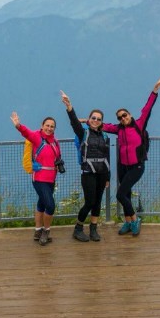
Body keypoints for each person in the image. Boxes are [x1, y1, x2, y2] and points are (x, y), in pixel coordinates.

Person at [103, 76, 160, 237]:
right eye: (120, 117)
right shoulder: (119, 129)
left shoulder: (139, 124)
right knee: (127, 194)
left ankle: (135, 220)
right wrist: (87, 121)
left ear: (129, 115)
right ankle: (128, 222)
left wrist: (155, 90)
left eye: (124, 115)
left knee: (120, 194)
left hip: (137, 166)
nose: (123, 118)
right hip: (123, 166)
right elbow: (104, 126)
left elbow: (147, 109)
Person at [60, 90, 111, 242]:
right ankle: (78, 228)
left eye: (99, 119)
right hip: (88, 172)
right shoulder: (83, 133)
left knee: (98, 201)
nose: (96, 120)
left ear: (102, 122)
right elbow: (75, 123)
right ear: (89, 120)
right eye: (93, 118)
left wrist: (108, 177)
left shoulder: (105, 136)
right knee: (89, 201)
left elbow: (107, 157)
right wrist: (69, 106)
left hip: (102, 173)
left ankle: (93, 230)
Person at [11, 111, 62, 246]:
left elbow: (57, 158)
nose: (49, 128)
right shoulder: (37, 137)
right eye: (47, 125)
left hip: (51, 179)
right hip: (39, 178)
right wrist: (18, 125)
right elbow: (26, 132)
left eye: (52, 126)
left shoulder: (55, 142)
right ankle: (46, 231)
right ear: (42, 125)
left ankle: (37, 230)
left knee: (42, 203)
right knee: (50, 205)